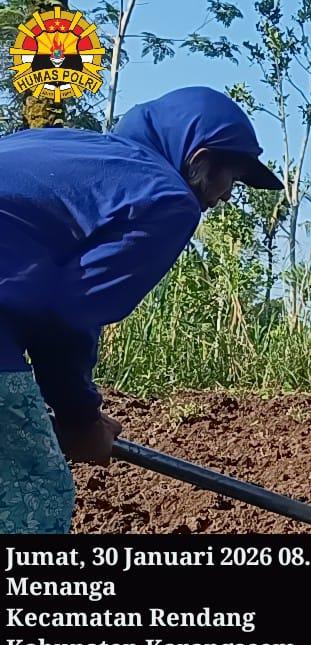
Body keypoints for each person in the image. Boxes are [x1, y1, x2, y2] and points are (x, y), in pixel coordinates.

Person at [0, 86, 284, 533]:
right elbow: (66, 313)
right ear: (201, 158)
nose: (228, 195)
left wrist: (78, 413)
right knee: (33, 491)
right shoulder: (166, 197)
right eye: (233, 178)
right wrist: (80, 419)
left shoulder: (66, 144)